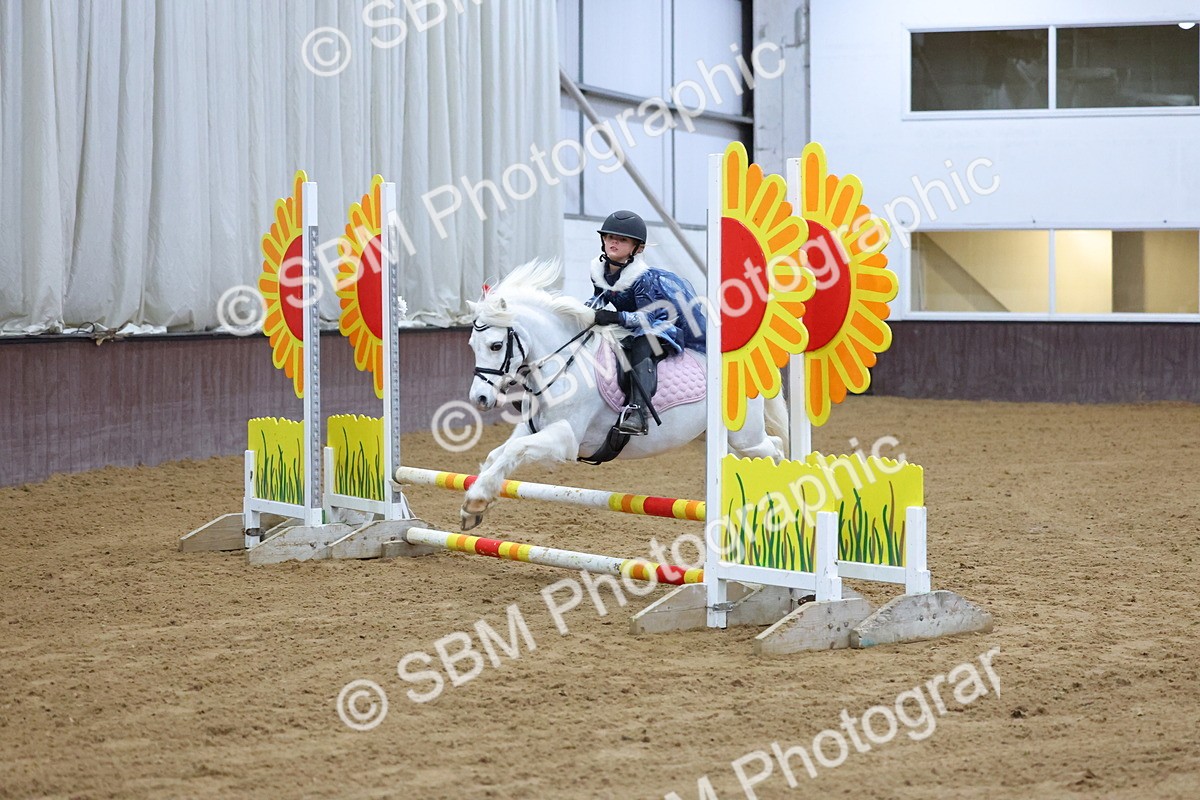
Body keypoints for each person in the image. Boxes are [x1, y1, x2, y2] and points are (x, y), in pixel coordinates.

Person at [585, 210, 706, 436]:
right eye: (610, 237)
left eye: (622, 240)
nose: (614, 242)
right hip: (632, 326)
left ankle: (638, 412)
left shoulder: (644, 278)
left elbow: (648, 317)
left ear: (637, 248)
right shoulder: (598, 271)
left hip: (662, 324)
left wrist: (616, 317)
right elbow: (598, 298)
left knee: (643, 343)